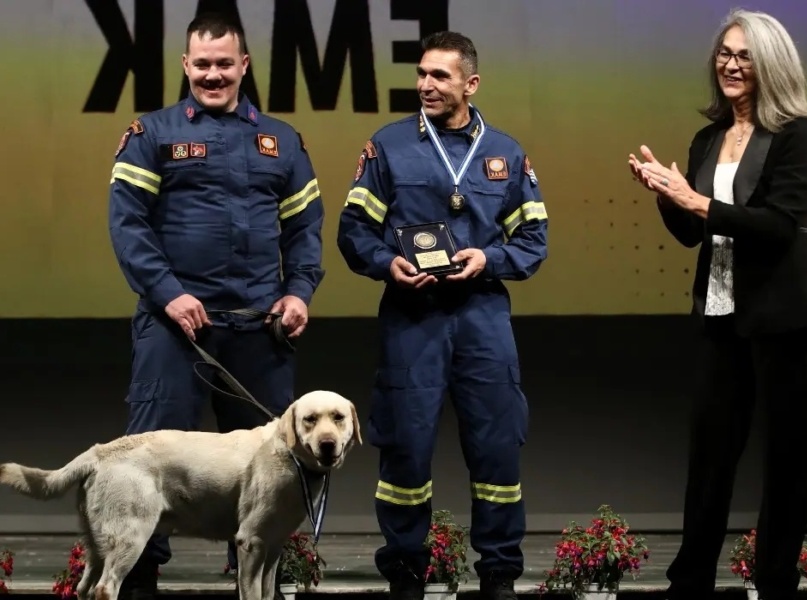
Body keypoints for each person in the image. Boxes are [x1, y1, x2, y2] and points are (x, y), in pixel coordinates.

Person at [107, 12, 324, 600]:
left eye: (224, 63)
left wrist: (299, 292)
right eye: (202, 64)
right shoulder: (153, 133)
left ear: (244, 65)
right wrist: (170, 294)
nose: (213, 74)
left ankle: (259, 579)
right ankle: (138, 579)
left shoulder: (280, 141)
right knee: (149, 459)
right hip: (176, 328)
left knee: (277, 466)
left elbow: (306, 228)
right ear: (185, 65)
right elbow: (129, 228)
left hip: (260, 330)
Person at [627, 9, 807, 600]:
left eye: (744, 55)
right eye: (724, 53)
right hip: (722, 315)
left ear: (770, 64)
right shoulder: (709, 137)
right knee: (710, 456)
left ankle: (776, 580)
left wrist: (694, 201)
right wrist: (667, 197)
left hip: (787, 319)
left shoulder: (797, 133)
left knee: (787, 459)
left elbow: (779, 224)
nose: (730, 64)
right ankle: (690, 580)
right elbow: (695, 234)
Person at [337, 31, 547, 600]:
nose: (426, 85)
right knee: (405, 444)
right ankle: (406, 570)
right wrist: (387, 265)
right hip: (413, 318)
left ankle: (499, 572)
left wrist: (489, 257)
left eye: (440, 76)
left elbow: (533, 238)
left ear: (470, 84)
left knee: (497, 444)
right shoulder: (388, 146)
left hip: (482, 318)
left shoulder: (505, 152)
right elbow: (354, 230)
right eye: (422, 74)